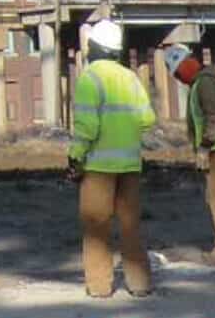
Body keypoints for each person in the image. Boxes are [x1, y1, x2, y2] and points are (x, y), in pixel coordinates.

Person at [70, 17, 157, 298]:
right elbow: (147, 119)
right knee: (131, 226)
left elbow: (87, 126)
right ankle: (140, 283)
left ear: (94, 47)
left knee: (97, 228)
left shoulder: (90, 77)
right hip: (130, 165)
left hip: (98, 166)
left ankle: (99, 286)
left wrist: (75, 157)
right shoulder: (130, 77)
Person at [164, 42, 215, 267]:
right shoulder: (200, 83)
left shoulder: (205, 83)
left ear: (186, 63)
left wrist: (205, 145)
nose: (180, 79)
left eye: (179, 73)